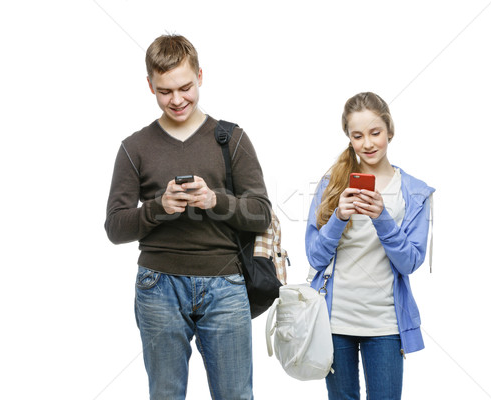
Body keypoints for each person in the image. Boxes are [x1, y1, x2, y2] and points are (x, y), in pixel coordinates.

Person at [104, 34, 271, 400]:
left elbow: (261, 214)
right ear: (150, 85)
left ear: (200, 76)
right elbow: (115, 228)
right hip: (158, 286)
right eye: (165, 91)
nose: (177, 100)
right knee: (165, 395)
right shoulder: (134, 148)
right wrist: (158, 208)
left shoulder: (232, 138)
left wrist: (215, 200)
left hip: (225, 284)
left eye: (185, 87)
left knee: (235, 395)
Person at [305, 92, 435, 399]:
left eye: (375, 133)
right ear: (349, 138)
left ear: (390, 131)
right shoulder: (331, 185)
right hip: (335, 322)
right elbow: (315, 257)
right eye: (358, 135)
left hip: (386, 324)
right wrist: (338, 217)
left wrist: (382, 218)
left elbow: (410, 263)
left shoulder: (414, 192)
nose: (368, 143)